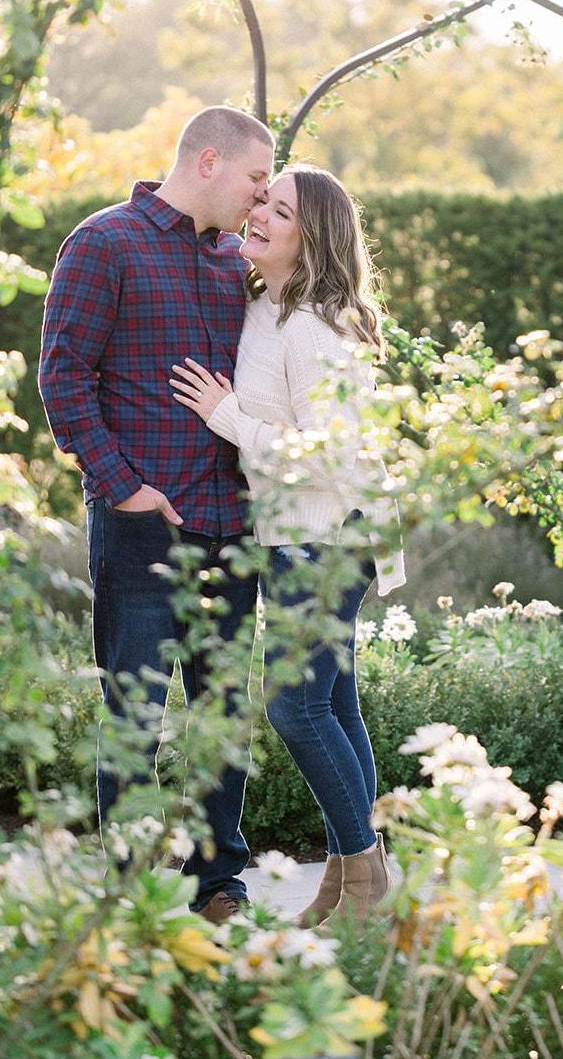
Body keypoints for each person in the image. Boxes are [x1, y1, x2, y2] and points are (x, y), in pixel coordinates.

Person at [38, 104, 273, 925]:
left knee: (222, 714)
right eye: (255, 178)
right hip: (140, 525)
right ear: (208, 162)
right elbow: (63, 378)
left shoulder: (237, 262)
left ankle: (218, 884)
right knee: (136, 712)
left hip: (231, 526)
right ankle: (132, 888)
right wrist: (124, 489)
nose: (262, 195)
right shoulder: (103, 243)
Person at [170, 164, 405, 926]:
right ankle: (347, 878)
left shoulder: (311, 327)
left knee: (296, 708)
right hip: (301, 533)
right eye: (262, 203)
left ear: (313, 239)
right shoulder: (269, 308)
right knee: (333, 703)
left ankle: (367, 882)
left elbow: (329, 454)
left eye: (280, 212)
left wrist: (230, 418)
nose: (259, 217)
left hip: (326, 536)